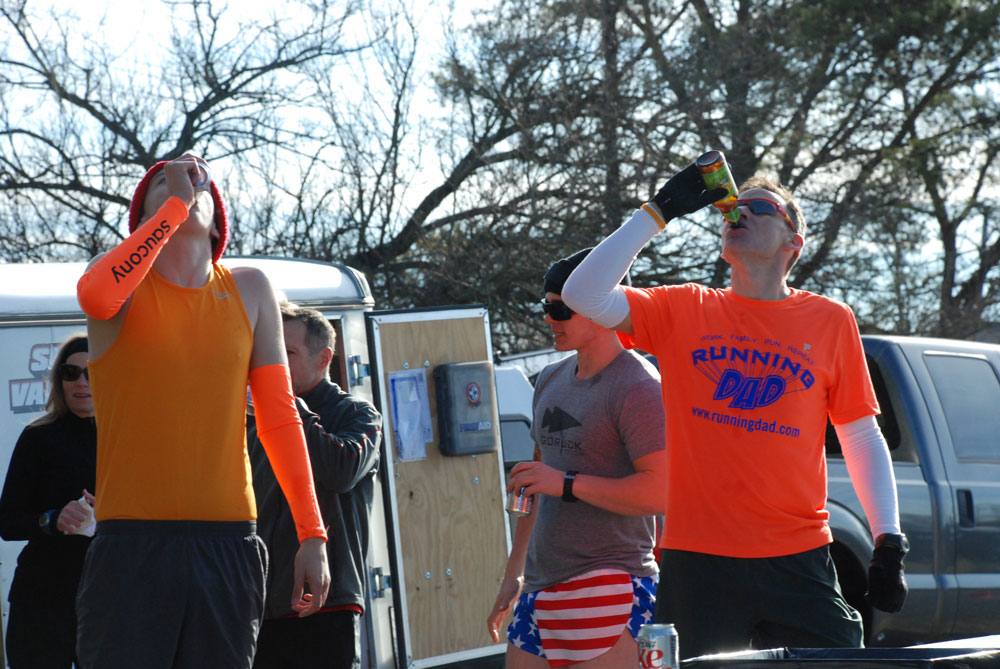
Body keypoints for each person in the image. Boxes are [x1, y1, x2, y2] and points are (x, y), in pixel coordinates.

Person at [561, 164, 909, 659]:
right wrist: (658, 212)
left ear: (795, 241)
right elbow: (581, 294)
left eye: (759, 206)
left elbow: (860, 436)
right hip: (696, 559)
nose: (738, 211)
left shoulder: (830, 321)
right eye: (732, 207)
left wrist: (889, 542)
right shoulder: (684, 307)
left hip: (797, 555)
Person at [74, 154, 330, 668]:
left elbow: (280, 417)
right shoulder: (119, 291)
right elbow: (95, 295)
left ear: (218, 218)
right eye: (165, 189)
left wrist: (312, 534)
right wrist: (172, 206)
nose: (187, 192)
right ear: (150, 216)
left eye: (198, 188)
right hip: (132, 543)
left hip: (228, 540)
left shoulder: (250, 288)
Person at [486, 248, 667, 669]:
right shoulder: (550, 377)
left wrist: (565, 482)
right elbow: (536, 481)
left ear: (599, 306)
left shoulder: (638, 386)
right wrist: (514, 573)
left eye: (561, 309)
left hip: (610, 582)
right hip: (539, 586)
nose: (549, 318)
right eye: (545, 307)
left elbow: (661, 493)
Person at [250, 303, 382, 669]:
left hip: (326, 601)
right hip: (260, 602)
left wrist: (289, 410)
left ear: (324, 358)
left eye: (285, 353)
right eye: (269, 353)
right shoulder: (253, 420)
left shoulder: (359, 414)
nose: (271, 364)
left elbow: (340, 471)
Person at [0, 334, 97, 668]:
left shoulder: (127, 439)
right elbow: (7, 521)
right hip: (42, 598)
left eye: (92, 373)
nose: (81, 383)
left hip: (107, 599)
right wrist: (54, 519)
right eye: (70, 374)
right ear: (59, 380)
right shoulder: (38, 437)